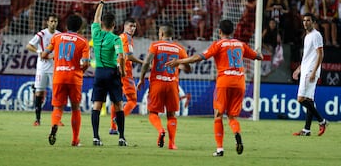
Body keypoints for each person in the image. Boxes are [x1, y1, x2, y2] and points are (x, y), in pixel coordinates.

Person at [166, 20, 263, 156]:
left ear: (220, 32)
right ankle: (236, 134)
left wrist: (179, 61)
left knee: (218, 115)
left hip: (224, 82)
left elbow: (198, 57)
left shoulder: (218, 44)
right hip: (240, 82)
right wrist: (258, 53)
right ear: (232, 31)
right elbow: (259, 57)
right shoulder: (240, 45)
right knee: (232, 116)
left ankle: (219, 149)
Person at [136, 23, 191, 150]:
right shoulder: (179, 48)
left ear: (161, 34)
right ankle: (172, 143)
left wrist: (141, 78)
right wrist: (178, 64)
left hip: (157, 83)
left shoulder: (155, 45)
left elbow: (146, 63)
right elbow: (188, 67)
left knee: (153, 112)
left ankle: (160, 130)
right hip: (172, 84)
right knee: (171, 115)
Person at [41, 14, 90, 146]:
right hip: (74, 77)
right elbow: (86, 63)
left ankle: (55, 124)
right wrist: (80, 70)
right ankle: (75, 140)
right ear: (80, 27)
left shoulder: (57, 37)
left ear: (66, 26)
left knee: (58, 107)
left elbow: (44, 54)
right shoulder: (83, 41)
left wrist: (54, 58)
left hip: (58, 76)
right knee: (75, 108)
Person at [90, 0, 127, 146]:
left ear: (102, 24)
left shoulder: (96, 33)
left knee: (97, 104)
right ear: (114, 25)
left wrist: (101, 2)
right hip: (112, 73)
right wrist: (123, 72)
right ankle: (121, 137)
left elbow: (96, 18)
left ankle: (96, 137)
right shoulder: (116, 38)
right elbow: (121, 56)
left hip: (99, 72)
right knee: (118, 104)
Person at [292, 12, 329, 136]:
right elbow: (307, 57)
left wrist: (313, 71)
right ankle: (307, 130)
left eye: (308, 20)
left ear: (313, 22)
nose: (305, 23)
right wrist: (298, 69)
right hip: (306, 69)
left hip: (311, 71)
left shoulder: (316, 35)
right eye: (304, 20)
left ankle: (322, 121)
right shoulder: (307, 36)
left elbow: (321, 54)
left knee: (301, 99)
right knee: (309, 100)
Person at [26, 13, 64, 127]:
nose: (53, 23)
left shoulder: (60, 35)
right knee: (39, 92)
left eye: (55, 21)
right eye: (51, 21)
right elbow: (29, 45)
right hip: (42, 67)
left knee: (56, 93)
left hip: (54, 68)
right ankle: (37, 119)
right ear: (47, 22)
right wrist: (39, 52)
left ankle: (57, 119)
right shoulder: (42, 34)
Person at [109, 18, 144, 135]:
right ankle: (119, 119)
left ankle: (113, 128)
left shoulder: (119, 37)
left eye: (134, 26)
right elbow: (129, 57)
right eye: (130, 26)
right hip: (125, 73)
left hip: (115, 72)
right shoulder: (127, 38)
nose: (133, 28)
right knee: (133, 100)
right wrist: (144, 63)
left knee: (117, 101)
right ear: (124, 26)